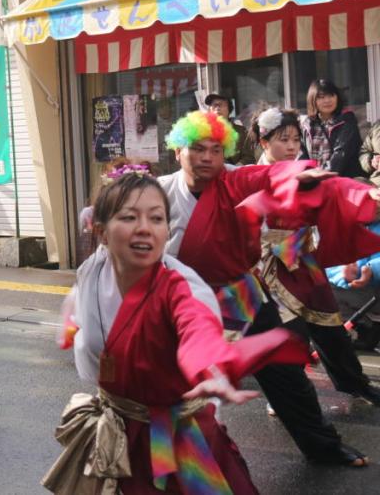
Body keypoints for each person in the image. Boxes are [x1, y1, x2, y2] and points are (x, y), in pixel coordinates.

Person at [44, 170, 309, 494]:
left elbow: (197, 328)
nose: (145, 227)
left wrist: (209, 366)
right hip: (117, 426)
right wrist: (70, 328)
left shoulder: (180, 286)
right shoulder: (92, 270)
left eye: (156, 218)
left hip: (174, 437)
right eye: (129, 217)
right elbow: (80, 307)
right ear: (101, 231)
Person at [157, 109, 380, 467]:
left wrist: (300, 175)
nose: (208, 158)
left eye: (216, 150)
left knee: (286, 374)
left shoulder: (234, 179)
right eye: (198, 149)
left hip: (237, 291)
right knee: (174, 385)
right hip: (182, 300)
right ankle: (168, 462)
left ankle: (323, 447)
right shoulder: (160, 192)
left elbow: (270, 175)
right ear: (178, 151)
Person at [251, 107, 380, 405]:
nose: (292, 146)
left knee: (331, 327)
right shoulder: (250, 176)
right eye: (283, 139)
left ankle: (354, 383)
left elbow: (333, 191)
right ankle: (286, 397)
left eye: (296, 139)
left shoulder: (305, 171)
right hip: (268, 267)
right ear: (263, 142)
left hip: (304, 261)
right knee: (289, 335)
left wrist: (363, 195)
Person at [301, 78, 363, 178]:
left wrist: (320, 176)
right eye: (321, 97)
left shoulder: (347, 120)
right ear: (313, 100)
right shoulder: (307, 124)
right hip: (313, 180)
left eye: (331, 95)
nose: (327, 100)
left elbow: (341, 155)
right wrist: (306, 175)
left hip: (344, 180)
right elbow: (301, 155)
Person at [204, 92, 255, 165]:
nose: (217, 108)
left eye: (221, 105)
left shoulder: (242, 131)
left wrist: (233, 170)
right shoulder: (203, 132)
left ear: (229, 110)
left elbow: (249, 157)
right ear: (209, 110)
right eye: (214, 105)